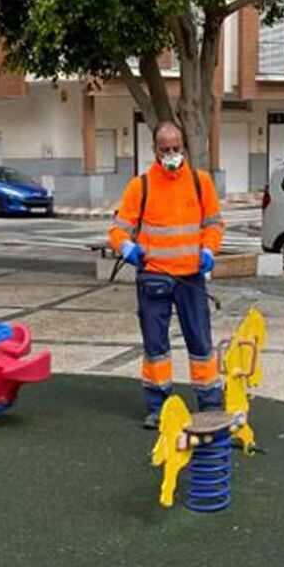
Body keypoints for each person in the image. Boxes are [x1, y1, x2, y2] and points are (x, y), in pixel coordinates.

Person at [108, 121, 225, 428]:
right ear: (154, 151)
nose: (172, 154)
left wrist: (209, 250)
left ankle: (210, 404)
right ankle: (158, 407)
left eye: (176, 148)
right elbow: (118, 230)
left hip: (190, 279)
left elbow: (213, 224)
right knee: (155, 346)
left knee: (200, 343)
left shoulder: (201, 183)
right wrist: (127, 249)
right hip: (154, 278)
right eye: (165, 150)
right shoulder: (141, 186)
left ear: (183, 147)